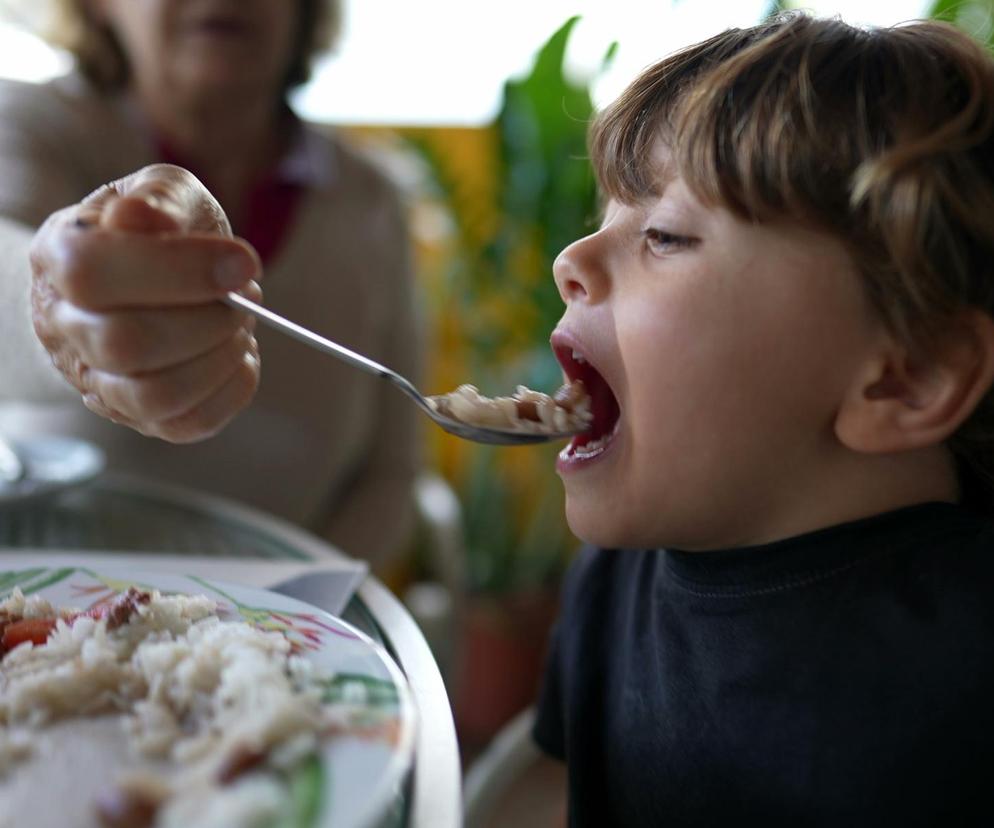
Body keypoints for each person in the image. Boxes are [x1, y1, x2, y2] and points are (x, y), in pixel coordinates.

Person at [532, 11, 994, 826]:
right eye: (602, 216)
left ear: (905, 379)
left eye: (667, 235)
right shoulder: (615, 578)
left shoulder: (967, 677)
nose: (571, 260)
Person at [0, 0, 423, 568]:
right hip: (56, 615)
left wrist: (292, 610)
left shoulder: (373, 201)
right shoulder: (28, 125)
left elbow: (392, 472)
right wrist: (56, 306)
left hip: (275, 640)